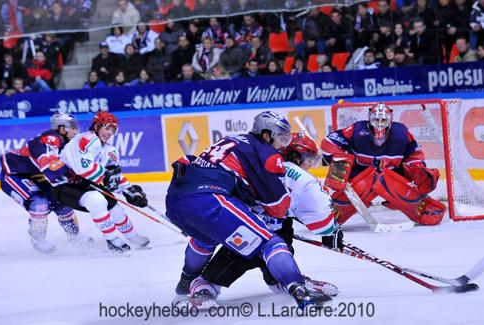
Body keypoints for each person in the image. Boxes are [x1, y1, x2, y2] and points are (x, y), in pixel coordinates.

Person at [166, 112, 332, 309]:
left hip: (176, 200)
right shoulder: (268, 155)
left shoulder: (232, 139)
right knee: (270, 242)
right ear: (266, 135)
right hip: (210, 201)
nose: (282, 146)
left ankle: (186, 282)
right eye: (281, 138)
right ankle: (297, 287)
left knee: (207, 236)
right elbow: (277, 208)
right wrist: (288, 213)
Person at [321, 103, 446, 226]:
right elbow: (329, 142)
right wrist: (339, 162)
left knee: (405, 180)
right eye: (376, 119)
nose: (380, 123)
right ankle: (330, 216)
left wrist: (417, 168)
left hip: (392, 177)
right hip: (360, 176)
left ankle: (421, 208)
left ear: (390, 120)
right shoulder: (357, 130)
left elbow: (414, 154)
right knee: (362, 180)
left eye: (383, 120)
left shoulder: (401, 133)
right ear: (370, 117)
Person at [54, 112, 150, 252]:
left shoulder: (110, 151)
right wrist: (107, 176)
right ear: (97, 126)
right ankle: (112, 239)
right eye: (106, 127)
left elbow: (113, 177)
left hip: (86, 184)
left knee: (115, 207)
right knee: (97, 200)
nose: (109, 132)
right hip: (64, 185)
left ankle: (133, 236)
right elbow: (83, 169)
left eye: (112, 129)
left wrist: (130, 191)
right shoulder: (86, 139)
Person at [0, 113, 92, 254]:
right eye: (73, 127)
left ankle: (74, 235)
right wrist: (69, 179)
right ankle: (38, 239)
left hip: (38, 176)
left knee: (63, 201)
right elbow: (48, 165)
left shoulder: (67, 145)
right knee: (39, 204)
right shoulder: (51, 138)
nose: (76, 130)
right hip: (15, 174)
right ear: (62, 129)